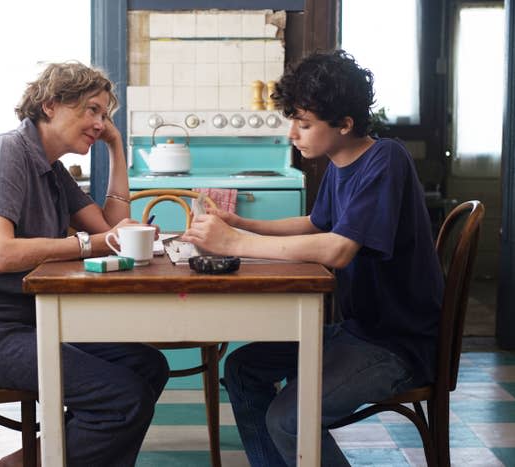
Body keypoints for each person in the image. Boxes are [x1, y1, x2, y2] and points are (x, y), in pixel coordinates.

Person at [182, 50, 444, 466]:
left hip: (398, 345)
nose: (292, 134)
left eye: (304, 124)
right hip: (358, 330)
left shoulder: (385, 159)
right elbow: (317, 224)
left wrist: (234, 243)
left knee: (288, 421)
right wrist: (241, 224)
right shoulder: (341, 164)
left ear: (344, 124)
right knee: (241, 371)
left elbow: (338, 248)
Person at [0, 62, 169, 467]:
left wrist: (117, 147)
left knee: (148, 366)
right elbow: (0, 254)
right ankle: (28, 464)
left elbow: (107, 229)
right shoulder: (7, 152)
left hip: (22, 323)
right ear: (51, 105)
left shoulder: (51, 170)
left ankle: (35, 458)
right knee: (122, 398)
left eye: (104, 115)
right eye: (91, 110)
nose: (99, 123)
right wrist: (95, 242)